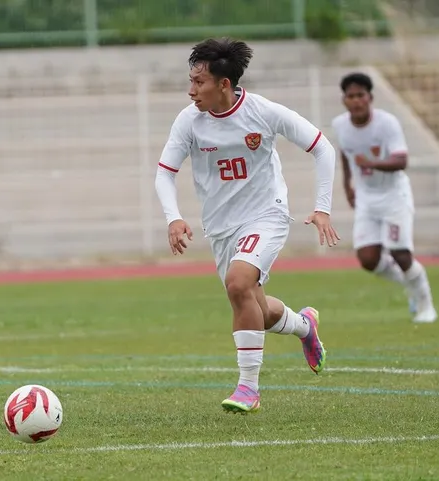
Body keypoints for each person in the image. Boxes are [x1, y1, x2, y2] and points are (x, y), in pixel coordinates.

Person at [154, 38, 339, 414]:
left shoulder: (263, 112)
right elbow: (164, 174)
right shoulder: (189, 120)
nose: (191, 90)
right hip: (221, 229)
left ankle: (248, 390)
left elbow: (323, 148)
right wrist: (173, 217)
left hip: (265, 216)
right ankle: (304, 325)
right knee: (257, 307)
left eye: (199, 82)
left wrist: (322, 208)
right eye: (190, 80)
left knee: (238, 283)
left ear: (224, 84)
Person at [331, 72, 437, 324]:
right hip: (367, 198)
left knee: (401, 254)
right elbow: (346, 154)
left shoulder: (387, 123)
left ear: (370, 98)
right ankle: (410, 285)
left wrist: (372, 163)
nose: (356, 101)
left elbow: (402, 160)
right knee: (368, 259)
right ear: (344, 100)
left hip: (394, 196)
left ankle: (426, 307)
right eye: (350, 96)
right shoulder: (339, 125)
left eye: (360, 95)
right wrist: (347, 185)